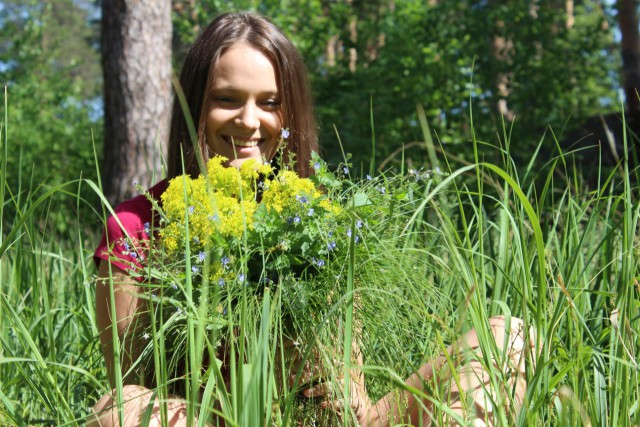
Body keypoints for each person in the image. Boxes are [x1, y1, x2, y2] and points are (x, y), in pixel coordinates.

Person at [89, 11, 535, 427]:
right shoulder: (135, 225)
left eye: (269, 103)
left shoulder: (318, 220)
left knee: (510, 338)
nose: (249, 121)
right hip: (210, 417)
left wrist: (348, 391)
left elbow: (351, 377)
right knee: (119, 406)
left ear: (290, 114)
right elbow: (133, 377)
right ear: (195, 108)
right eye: (226, 99)